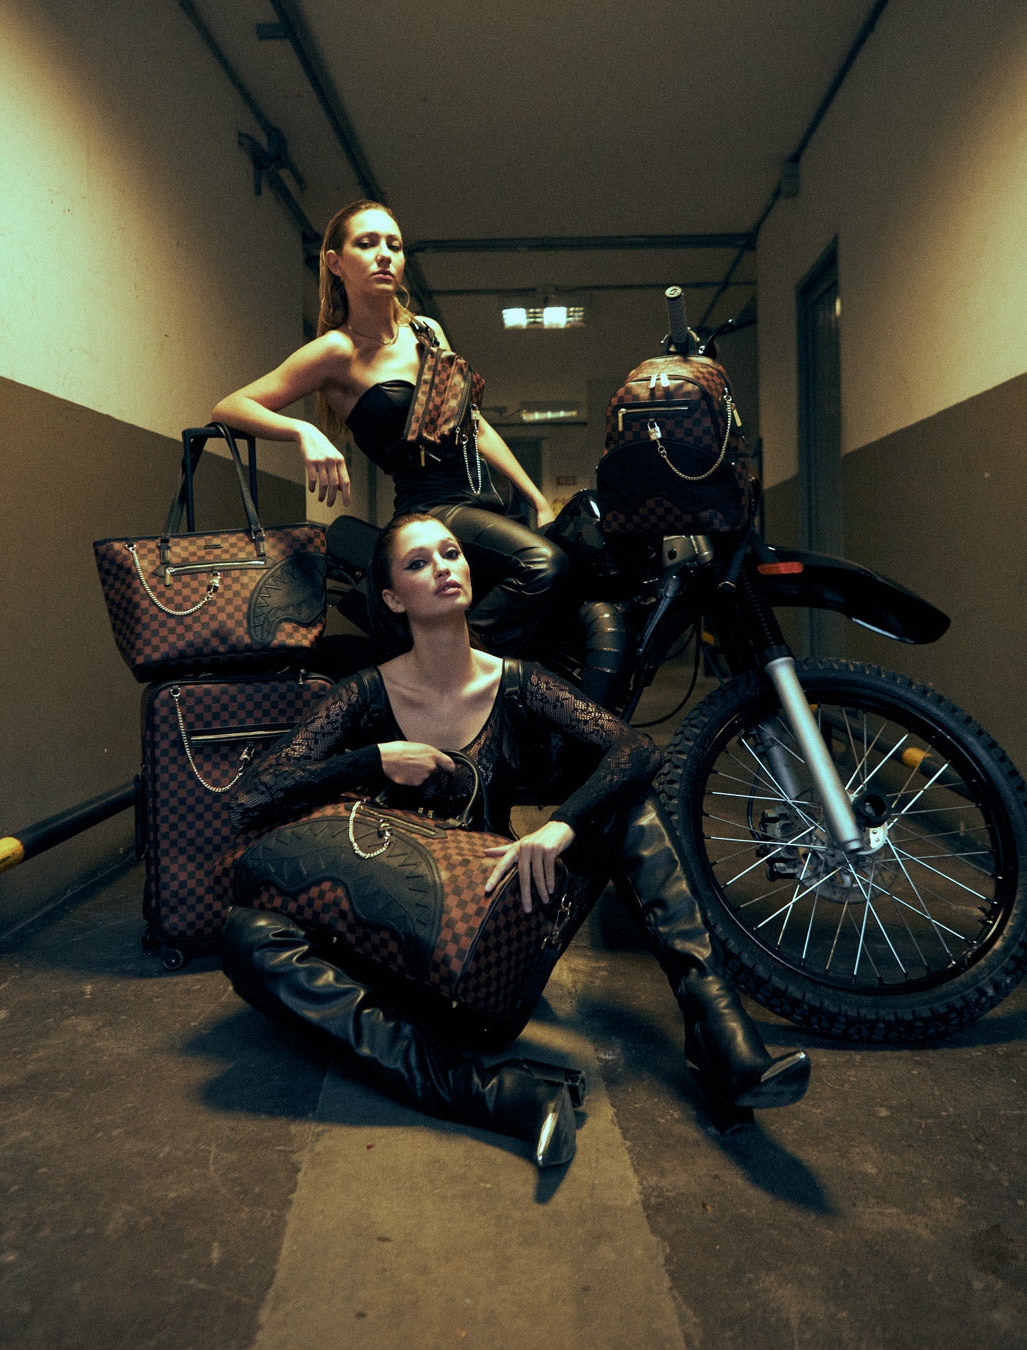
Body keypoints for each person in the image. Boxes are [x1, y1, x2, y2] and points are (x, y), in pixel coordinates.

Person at [220, 514, 812, 1170]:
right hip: (392, 964)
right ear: (391, 597)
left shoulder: (517, 682)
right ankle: (488, 1092)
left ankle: (717, 1028)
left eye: (451, 553)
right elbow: (254, 793)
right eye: (418, 563)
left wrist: (562, 824)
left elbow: (635, 749)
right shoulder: (364, 694)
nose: (443, 567)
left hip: (489, 952)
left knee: (625, 795)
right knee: (247, 936)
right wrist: (375, 759)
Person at [210, 198, 569, 656]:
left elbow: (472, 426)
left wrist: (537, 499)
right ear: (335, 263)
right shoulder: (336, 351)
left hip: (487, 501)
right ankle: (443, 662)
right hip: (432, 508)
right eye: (367, 243)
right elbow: (230, 406)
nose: (384, 255)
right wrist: (305, 432)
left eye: (394, 245)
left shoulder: (427, 331)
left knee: (573, 593)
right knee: (543, 565)